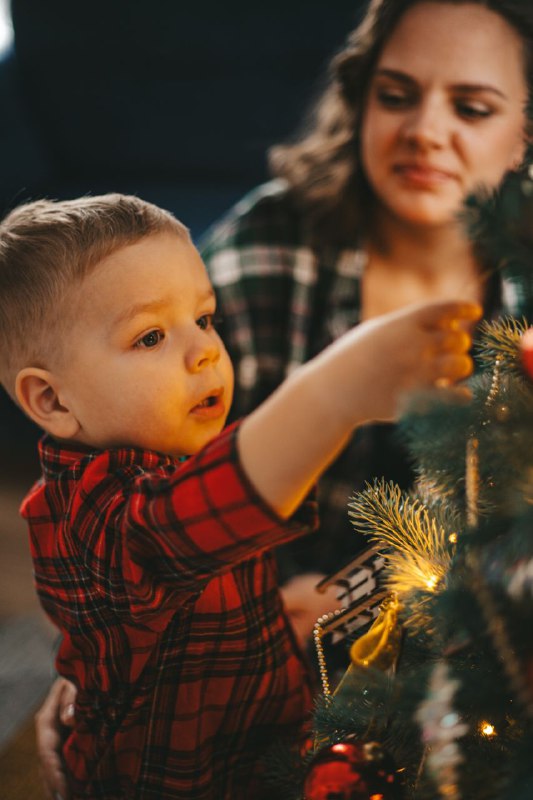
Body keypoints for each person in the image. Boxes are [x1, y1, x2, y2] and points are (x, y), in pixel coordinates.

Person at [34, 0, 533, 795]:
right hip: (264, 684)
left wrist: (357, 602)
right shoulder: (264, 250)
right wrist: (103, 660)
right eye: (395, 94)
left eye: (470, 107)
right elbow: (135, 518)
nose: (422, 131)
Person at [0, 193, 477, 799]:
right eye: (150, 338)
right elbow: (193, 517)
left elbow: (205, 575)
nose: (203, 351)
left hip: (262, 744)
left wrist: (274, 614)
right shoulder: (90, 515)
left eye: (203, 319)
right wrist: (335, 392)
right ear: (52, 400)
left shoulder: (166, 445)